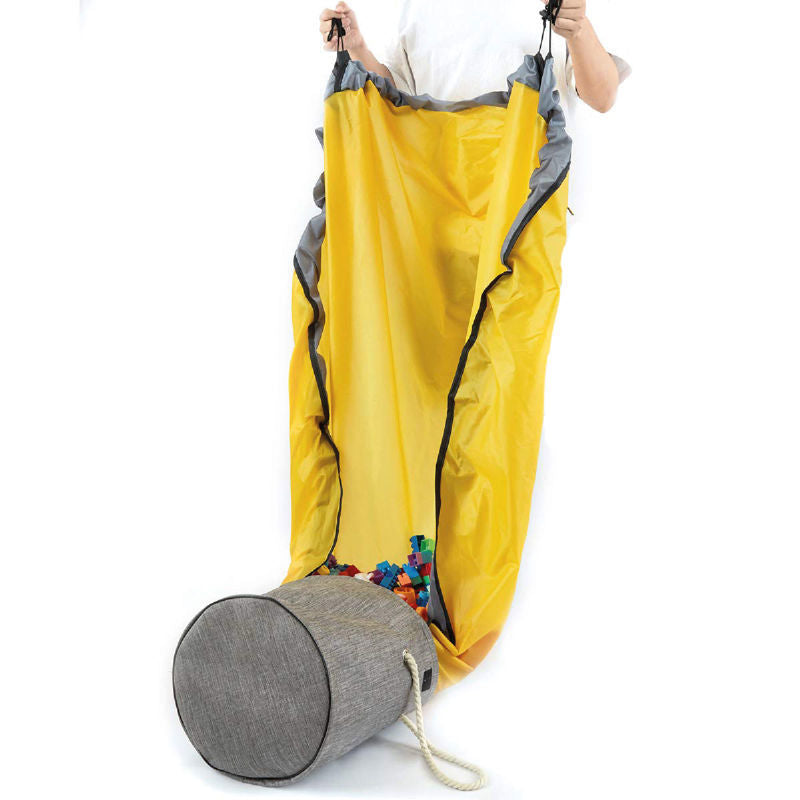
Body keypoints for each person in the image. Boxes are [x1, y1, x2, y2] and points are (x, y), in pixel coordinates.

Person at [317, 0, 630, 122]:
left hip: (528, 205)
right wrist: (357, 49)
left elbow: (602, 96)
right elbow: (395, 96)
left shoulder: (562, 2)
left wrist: (578, 30)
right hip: (439, 200)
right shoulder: (413, 6)